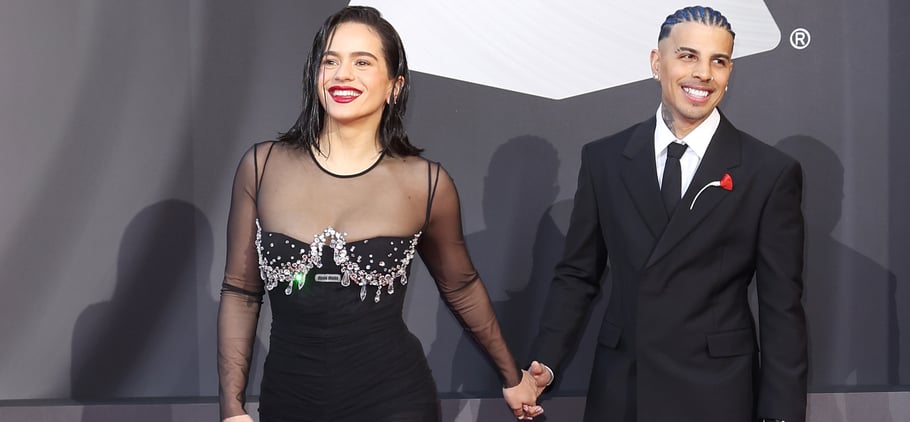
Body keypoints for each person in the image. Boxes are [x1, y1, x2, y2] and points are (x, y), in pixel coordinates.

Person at [216, 6, 542, 422]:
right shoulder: (262, 166)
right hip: (289, 400)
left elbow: (460, 287)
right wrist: (231, 407)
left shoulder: (425, 184)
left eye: (362, 62)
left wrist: (512, 378)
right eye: (330, 60)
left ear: (394, 85)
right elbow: (241, 291)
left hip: (395, 401)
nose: (342, 74)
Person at [525, 6, 808, 422]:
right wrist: (544, 363)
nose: (704, 74)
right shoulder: (604, 159)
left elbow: (782, 307)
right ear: (658, 62)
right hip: (623, 390)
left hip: (717, 393)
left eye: (719, 61)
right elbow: (578, 275)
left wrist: (781, 415)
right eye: (688, 56)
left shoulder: (768, 172)